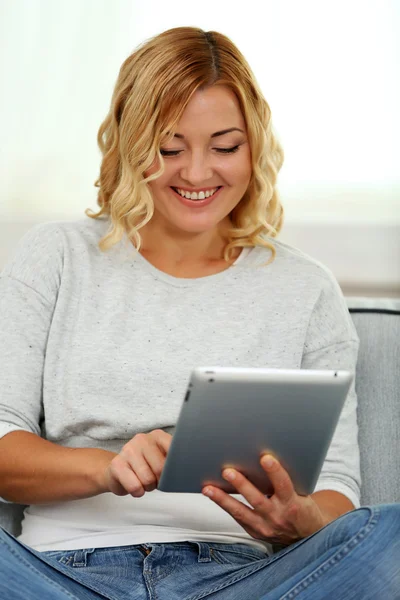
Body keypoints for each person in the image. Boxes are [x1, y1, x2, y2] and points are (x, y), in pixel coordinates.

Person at [0, 25, 399, 600]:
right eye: (168, 148)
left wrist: (300, 517)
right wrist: (105, 470)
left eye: (225, 146)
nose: (195, 173)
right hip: (60, 575)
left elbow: (337, 490)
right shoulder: (56, 257)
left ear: (254, 146)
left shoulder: (305, 289)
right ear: (131, 143)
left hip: (245, 577)